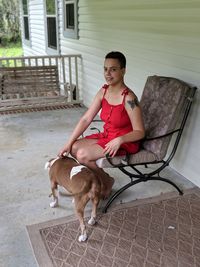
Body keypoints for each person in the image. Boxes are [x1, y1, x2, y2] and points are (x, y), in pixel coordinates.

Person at [58, 51, 145, 198]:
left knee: (83, 155)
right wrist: (68, 143)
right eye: (105, 69)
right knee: (73, 147)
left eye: (113, 69)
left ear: (123, 71)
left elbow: (140, 131)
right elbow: (86, 119)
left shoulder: (130, 98)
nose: (108, 74)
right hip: (107, 135)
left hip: (123, 141)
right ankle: (101, 179)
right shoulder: (103, 91)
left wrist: (120, 139)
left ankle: (105, 182)